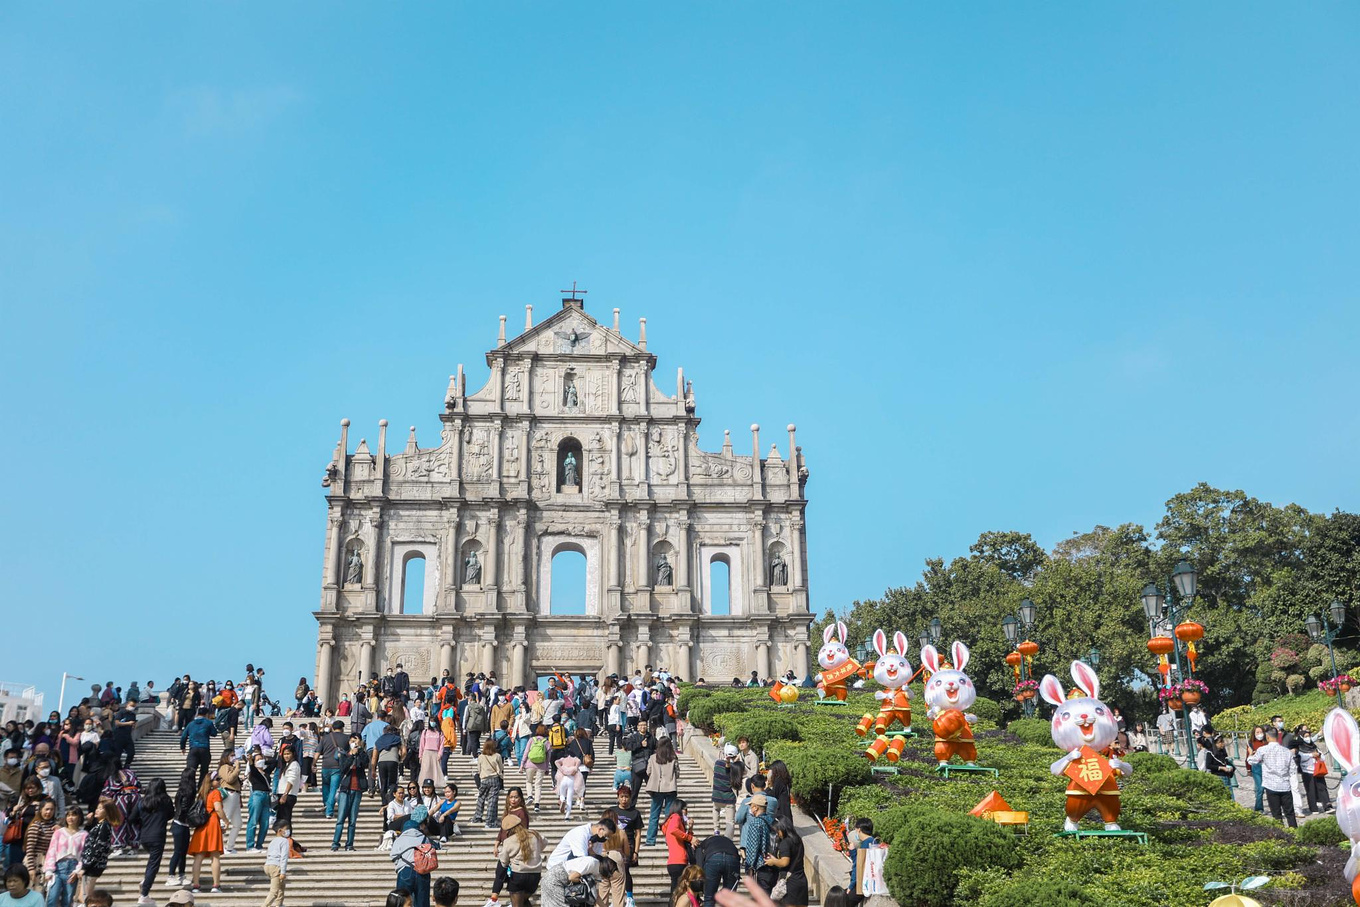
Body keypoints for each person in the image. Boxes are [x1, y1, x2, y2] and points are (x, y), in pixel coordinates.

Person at [130, 777, 174, 904]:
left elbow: (131, 818)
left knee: (151, 863)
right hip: (158, 836)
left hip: (144, 837)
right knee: (154, 864)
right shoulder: (165, 800)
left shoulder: (142, 801)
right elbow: (171, 814)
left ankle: (145, 881)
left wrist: (142, 823)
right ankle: (144, 894)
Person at [1248, 727, 1298, 828]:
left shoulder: (1263, 749)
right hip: (1285, 785)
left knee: (1276, 814)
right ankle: (1295, 833)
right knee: (1290, 813)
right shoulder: (1286, 751)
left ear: (1267, 737)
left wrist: (1250, 754)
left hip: (1271, 785)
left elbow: (1252, 761)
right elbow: (1293, 768)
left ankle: (1281, 835)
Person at [186, 771, 225, 893]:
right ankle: (216, 885)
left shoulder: (201, 793)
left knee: (199, 856)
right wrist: (226, 821)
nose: (219, 781)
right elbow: (218, 809)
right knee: (215, 855)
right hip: (212, 822)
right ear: (212, 781)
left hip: (201, 825)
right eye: (217, 779)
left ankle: (196, 885)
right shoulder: (216, 793)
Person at [496, 812, 545, 907]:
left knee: (517, 905)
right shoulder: (534, 834)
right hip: (535, 875)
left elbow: (504, 861)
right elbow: (544, 843)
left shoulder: (509, 841)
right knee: (525, 901)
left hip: (518, 875)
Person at [390, 806, 435, 907]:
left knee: (402, 902)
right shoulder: (424, 838)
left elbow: (393, 856)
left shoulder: (400, 839)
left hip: (405, 871)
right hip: (422, 872)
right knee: (422, 902)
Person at [42, 806, 86, 907]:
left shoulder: (84, 834)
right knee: (52, 898)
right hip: (58, 867)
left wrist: (77, 871)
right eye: (69, 815)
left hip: (73, 868)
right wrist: (49, 870)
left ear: (79, 817)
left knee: (68, 899)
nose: (71, 818)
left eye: (74, 815)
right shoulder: (59, 833)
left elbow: (84, 855)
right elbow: (52, 851)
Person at [76, 798, 117, 905]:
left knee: (84, 897)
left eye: (101, 809)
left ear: (107, 812)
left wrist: (85, 867)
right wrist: (89, 823)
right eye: (97, 808)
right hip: (90, 865)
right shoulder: (99, 825)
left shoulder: (104, 826)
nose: (97, 810)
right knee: (82, 896)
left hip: (93, 866)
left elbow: (98, 848)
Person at [541, 851, 618, 907]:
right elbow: (572, 877)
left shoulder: (597, 873)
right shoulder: (592, 863)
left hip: (557, 878)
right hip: (555, 878)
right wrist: (584, 883)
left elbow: (596, 896)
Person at [333, 734, 369, 851]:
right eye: (352, 740)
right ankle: (335, 843)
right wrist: (351, 755)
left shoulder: (361, 753)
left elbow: (366, 764)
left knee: (352, 820)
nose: (354, 742)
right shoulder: (344, 754)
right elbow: (343, 768)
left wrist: (359, 751)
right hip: (345, 789)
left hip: (357, 788)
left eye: (356, 740)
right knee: (341, 818)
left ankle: (349, 844)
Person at [644, 736, 680, 846]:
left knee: (654, 815)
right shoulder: (673, 758)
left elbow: (648, 772)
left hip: (657, 788)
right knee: (669, 816)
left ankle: (650, 840)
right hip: (670, 788)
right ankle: (669, 839)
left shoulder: (653, 757)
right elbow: (677, 774)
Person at [764, 820, 808, 907]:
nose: (777, 834)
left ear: (782, 828)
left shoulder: (785, 842)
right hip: (801, 880)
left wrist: (773, 861)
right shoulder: (798, 840)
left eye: (777, 830)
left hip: (790, 882)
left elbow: (784, 862)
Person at [167, 766, 197, 887]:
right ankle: (171, 875)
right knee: (178, 851)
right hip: (180, 823)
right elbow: (184, 808)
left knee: (183, 851)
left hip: (182, 823)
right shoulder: (188, 791)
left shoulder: (182, 790)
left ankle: (181, 874)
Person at [735, 794, 772, 889]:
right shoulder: (771, 820)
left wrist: (749, 867)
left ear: (755, 808)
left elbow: (753, 847)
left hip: (761, 866)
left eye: (751, 806)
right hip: (772, 862)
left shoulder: (755, 823)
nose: (750, 809)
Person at [694, 831, 740, 907]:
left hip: (713, 858)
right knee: (730, 897)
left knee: (709, 898)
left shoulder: (705, 842)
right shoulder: (727, 840)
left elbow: (699, 862)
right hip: (732, 859)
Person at [1295, 724, 1333, 815]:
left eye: (1309, 736)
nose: (1308, 738)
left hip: (1318, 770)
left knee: (1322, 788)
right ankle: (1313, 808)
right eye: (1306, 736)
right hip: (1307, 771)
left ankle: (1327, 806)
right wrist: (1311, 755)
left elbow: (1323, 757)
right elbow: (1301, 758)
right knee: (1310, 790)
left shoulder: (1314, 746)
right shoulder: (1299, 747)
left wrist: (1318, 755)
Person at [548, 818, 616, 867]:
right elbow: (582, 860)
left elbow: (596, 857)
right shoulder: (581, 833)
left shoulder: (598, 838)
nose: (606, 839)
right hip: (557, 867)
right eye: (606, 836)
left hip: (571, 868)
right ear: (600, 829)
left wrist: (591, 851)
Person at [179, 709, 218, 790]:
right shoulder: (208, 723)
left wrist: (183, 747)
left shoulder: (191, 724)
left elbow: (183, 737)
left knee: (191, 770)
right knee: (204, 770)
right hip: (204, 749)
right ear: (206, 714)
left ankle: (189, 787)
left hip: (193, 749)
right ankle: (201, 788)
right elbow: (214, 733)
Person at [22, 799, 57, 888]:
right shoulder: (36, 826)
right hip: (36, 861)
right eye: (47, 809)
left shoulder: (55, 825)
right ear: (41, 810)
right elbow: (30, 849)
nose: (49, 812)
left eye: (52, 809)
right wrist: (31, 868)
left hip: (49, 862)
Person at [662, 800, 694, 894]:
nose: (686, 812)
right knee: (677, 893)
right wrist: (690, 838)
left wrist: (690, 829)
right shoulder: (676, 817)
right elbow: (673, 830)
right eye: (685, 809)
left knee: (676, 892)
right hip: (678, 861)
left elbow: (683, 840)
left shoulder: (672, 820)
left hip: (675, 861)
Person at [844, 818, 877, 907]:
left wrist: (851, 886)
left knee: (842, 901)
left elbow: (858, 867)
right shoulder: (872, 841)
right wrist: (853, 851)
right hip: (866, 883)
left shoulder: (866, 844)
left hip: (862, 885)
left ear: (859, 829)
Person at [475, 739, 505, 829]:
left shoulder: (481, 757)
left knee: (481, 798)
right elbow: (501, 768)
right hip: (494, 779)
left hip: (484, 779)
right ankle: (490, 821)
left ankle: (478, 816)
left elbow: (479, 769)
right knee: (492, 800)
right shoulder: (497, 756)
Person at [711, 745, 740, 837]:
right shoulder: (735, 768)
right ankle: (728, 839)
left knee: (716, 809)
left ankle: (716, 829)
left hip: (717, 795)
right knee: (730, 821)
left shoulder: (717, 763)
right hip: (729, 798)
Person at [216, 750, 242, 855]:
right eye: (232, 755)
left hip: (236, 795)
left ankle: (230, 846)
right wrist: (237, 768)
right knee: (224, 821)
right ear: (226, 756)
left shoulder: (232, 768)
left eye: (234, 755)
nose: (234, 757)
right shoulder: (224, 767)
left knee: (238, 823)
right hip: (229, 794)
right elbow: (229, 779)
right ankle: (220, 846)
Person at [263, 821, 291, 907]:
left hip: (268, 865)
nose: (288, 831)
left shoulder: (272, 841)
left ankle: (279, 904)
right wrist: (283, 871)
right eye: (286, 829)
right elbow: (284, 857)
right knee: (274, 891)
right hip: (276, 866)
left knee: (281, 885)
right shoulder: (284, 841)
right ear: (280, 830)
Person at [275, 747, 303, 829]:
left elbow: (291, 780)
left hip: (288, 795)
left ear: (293, 754)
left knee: (285, 819)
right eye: (284, 754)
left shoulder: (294, 765)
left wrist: (285, 794)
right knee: (281, 819)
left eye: (288, 754)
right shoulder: (287, 765)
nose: (286, 756)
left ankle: (287, 838)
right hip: (283, 794)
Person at [1247, 724, 1268, 813]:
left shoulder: (1267, 742)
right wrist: (1248, 769)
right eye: (1257, 732)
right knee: (1260, 788)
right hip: (1256, 767)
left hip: (1267, 766)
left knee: (1269, 789)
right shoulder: (1251, 743)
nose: (1260, 734)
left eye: (1261, 732)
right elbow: (1248, 756)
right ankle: (1259, 808)